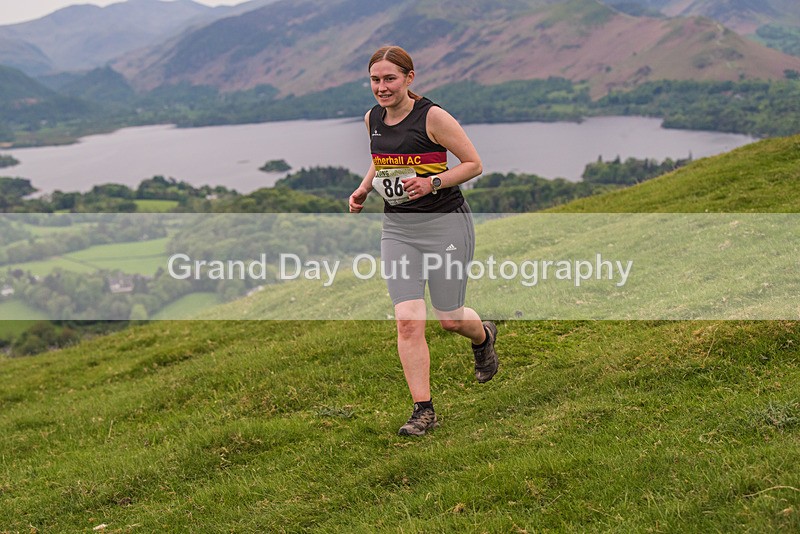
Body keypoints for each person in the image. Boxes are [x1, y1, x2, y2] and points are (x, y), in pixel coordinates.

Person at [349, 45, 499, 437]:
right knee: (408, 322)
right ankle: (423, 411)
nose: (381, 88)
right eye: (375, 80)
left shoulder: (432, 117)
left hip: (445, 224)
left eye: (389, 79)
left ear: (409, 78)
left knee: (449, 318)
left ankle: (483, 334)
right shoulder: (372, 119)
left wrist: (432, 181)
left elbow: (474, 164)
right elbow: (382, 158)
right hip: (398, 229)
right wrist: (365, 188)